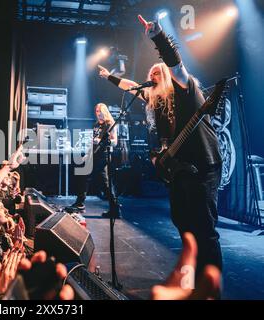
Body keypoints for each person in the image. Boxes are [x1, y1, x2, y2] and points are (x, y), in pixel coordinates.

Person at [98, 15, 223, 276]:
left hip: (202, 164)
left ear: (167, 76)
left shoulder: (185, 89)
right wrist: (110, 77)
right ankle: (195, 276)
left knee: (204, 228)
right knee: (182, 222)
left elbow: (176, 65)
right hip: (177, 168)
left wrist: (158, 37)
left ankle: (212, 284)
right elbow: (131, 86)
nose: (152, 76)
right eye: (150, 73)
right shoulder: (153, 100)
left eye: (157, 73)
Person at [66, 103, 118, 217]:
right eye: (97, 111)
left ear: (105, 112)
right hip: (94, 155)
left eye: (100, 111)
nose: (98, 113)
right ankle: (81, 204)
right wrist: (88, 154)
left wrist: (104, 141)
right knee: (87, 177)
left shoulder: (110, 124)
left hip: (103, 156)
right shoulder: (95, 125)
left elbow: (115, 142)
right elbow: (92, 142)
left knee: (105, 183)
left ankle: (114, 209)